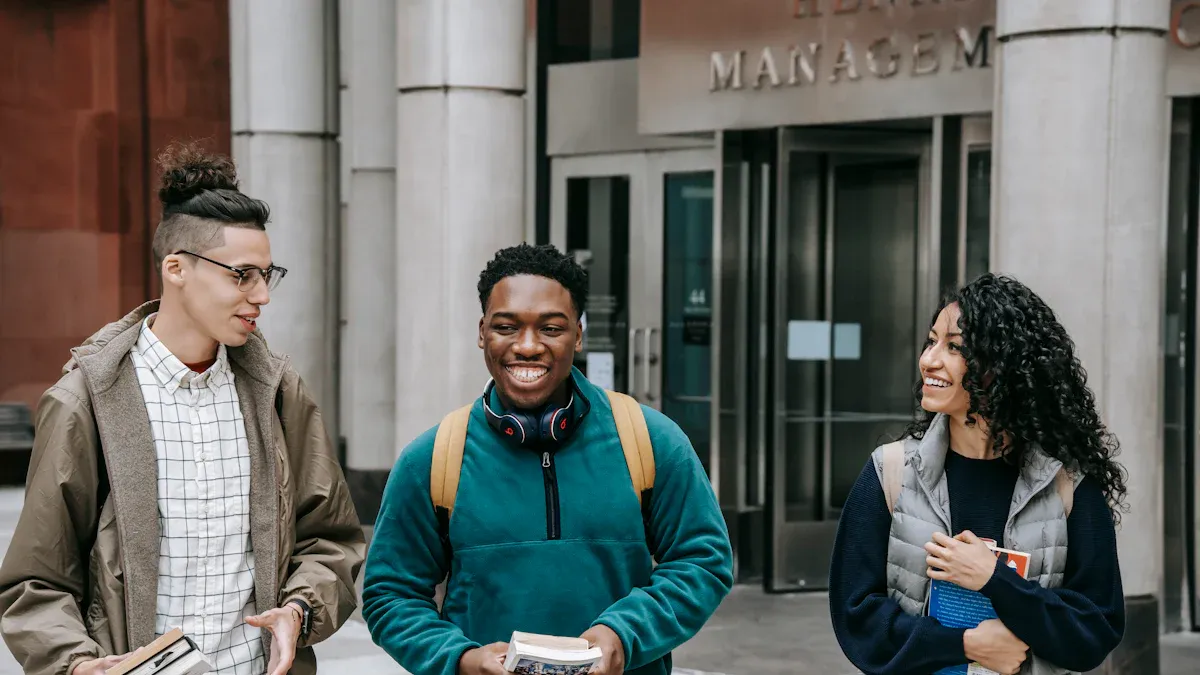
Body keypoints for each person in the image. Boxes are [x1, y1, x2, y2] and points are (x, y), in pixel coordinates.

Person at [0, 143, 366, 675]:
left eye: (268, 274)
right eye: (242, 275)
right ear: (176, 269)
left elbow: (330, 538)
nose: (261, 295)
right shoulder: (86, 402)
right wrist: (77, 665)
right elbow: (36, 581)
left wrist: (298, 610)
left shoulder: (279, 393)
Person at [362, 243, 734, 675]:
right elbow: (390, 594)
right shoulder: (432, 458)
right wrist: (460, 659)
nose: (527, 346)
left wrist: (622, 635)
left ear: (578, 334)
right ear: (482, 331)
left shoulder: (651, 440)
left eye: (551, 329)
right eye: (506, 326)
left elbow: (703, 560)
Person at [828, 273, 1126, 675]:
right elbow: (856, 619)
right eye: (931, 341)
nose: (928, 359)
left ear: (999, 366)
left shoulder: (1068, 484)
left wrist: (995, 579)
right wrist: (964, 646)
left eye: (954, 347)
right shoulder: (890, 471)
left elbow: (1095, 630)